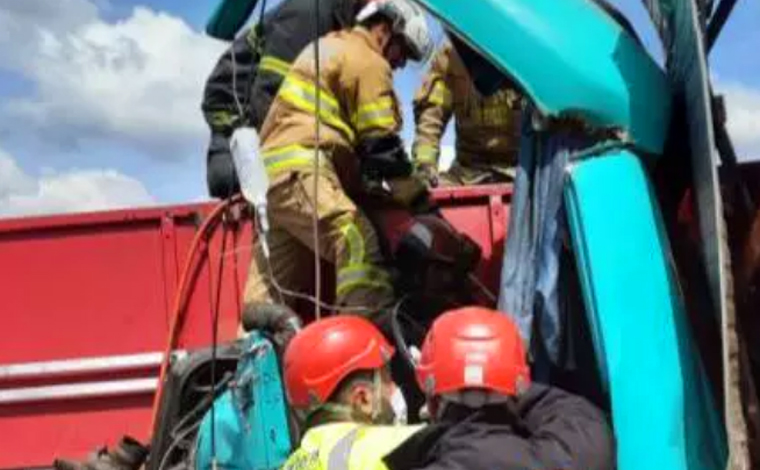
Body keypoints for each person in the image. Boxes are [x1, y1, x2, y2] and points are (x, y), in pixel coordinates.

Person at [242, 0, 433, 320]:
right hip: (301, 171)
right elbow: (382, 148)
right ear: (386, 30)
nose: (401, 64)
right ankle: (362, 344)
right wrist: (423, 203)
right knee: (356, 240)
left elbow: (344, 138)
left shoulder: (328, 46)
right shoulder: (370, 62)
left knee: (269, 295)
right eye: (403, 51)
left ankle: (249, 362)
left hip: (270, 182)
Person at [383, 306, 616, 470]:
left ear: (432, 404)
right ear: (516, 395)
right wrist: (498, 377)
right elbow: (573, 412)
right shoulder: (570, 455)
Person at [201, 0, 368, 198]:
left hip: (265, 116)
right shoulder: (308, 15)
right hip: (238, 118)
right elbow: (270, 94)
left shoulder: (341, 24)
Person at [281, 315, 425, 470]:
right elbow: (451, 443)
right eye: (388, 379)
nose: (395, 387)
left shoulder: (292, 463)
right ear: (363, 399)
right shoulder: (386, 447)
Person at [411, 40, 523, 187]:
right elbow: (431, 120)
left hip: (521, 171)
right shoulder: (450, 56)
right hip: (467, 173)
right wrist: (424, 166)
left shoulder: (522, 49)